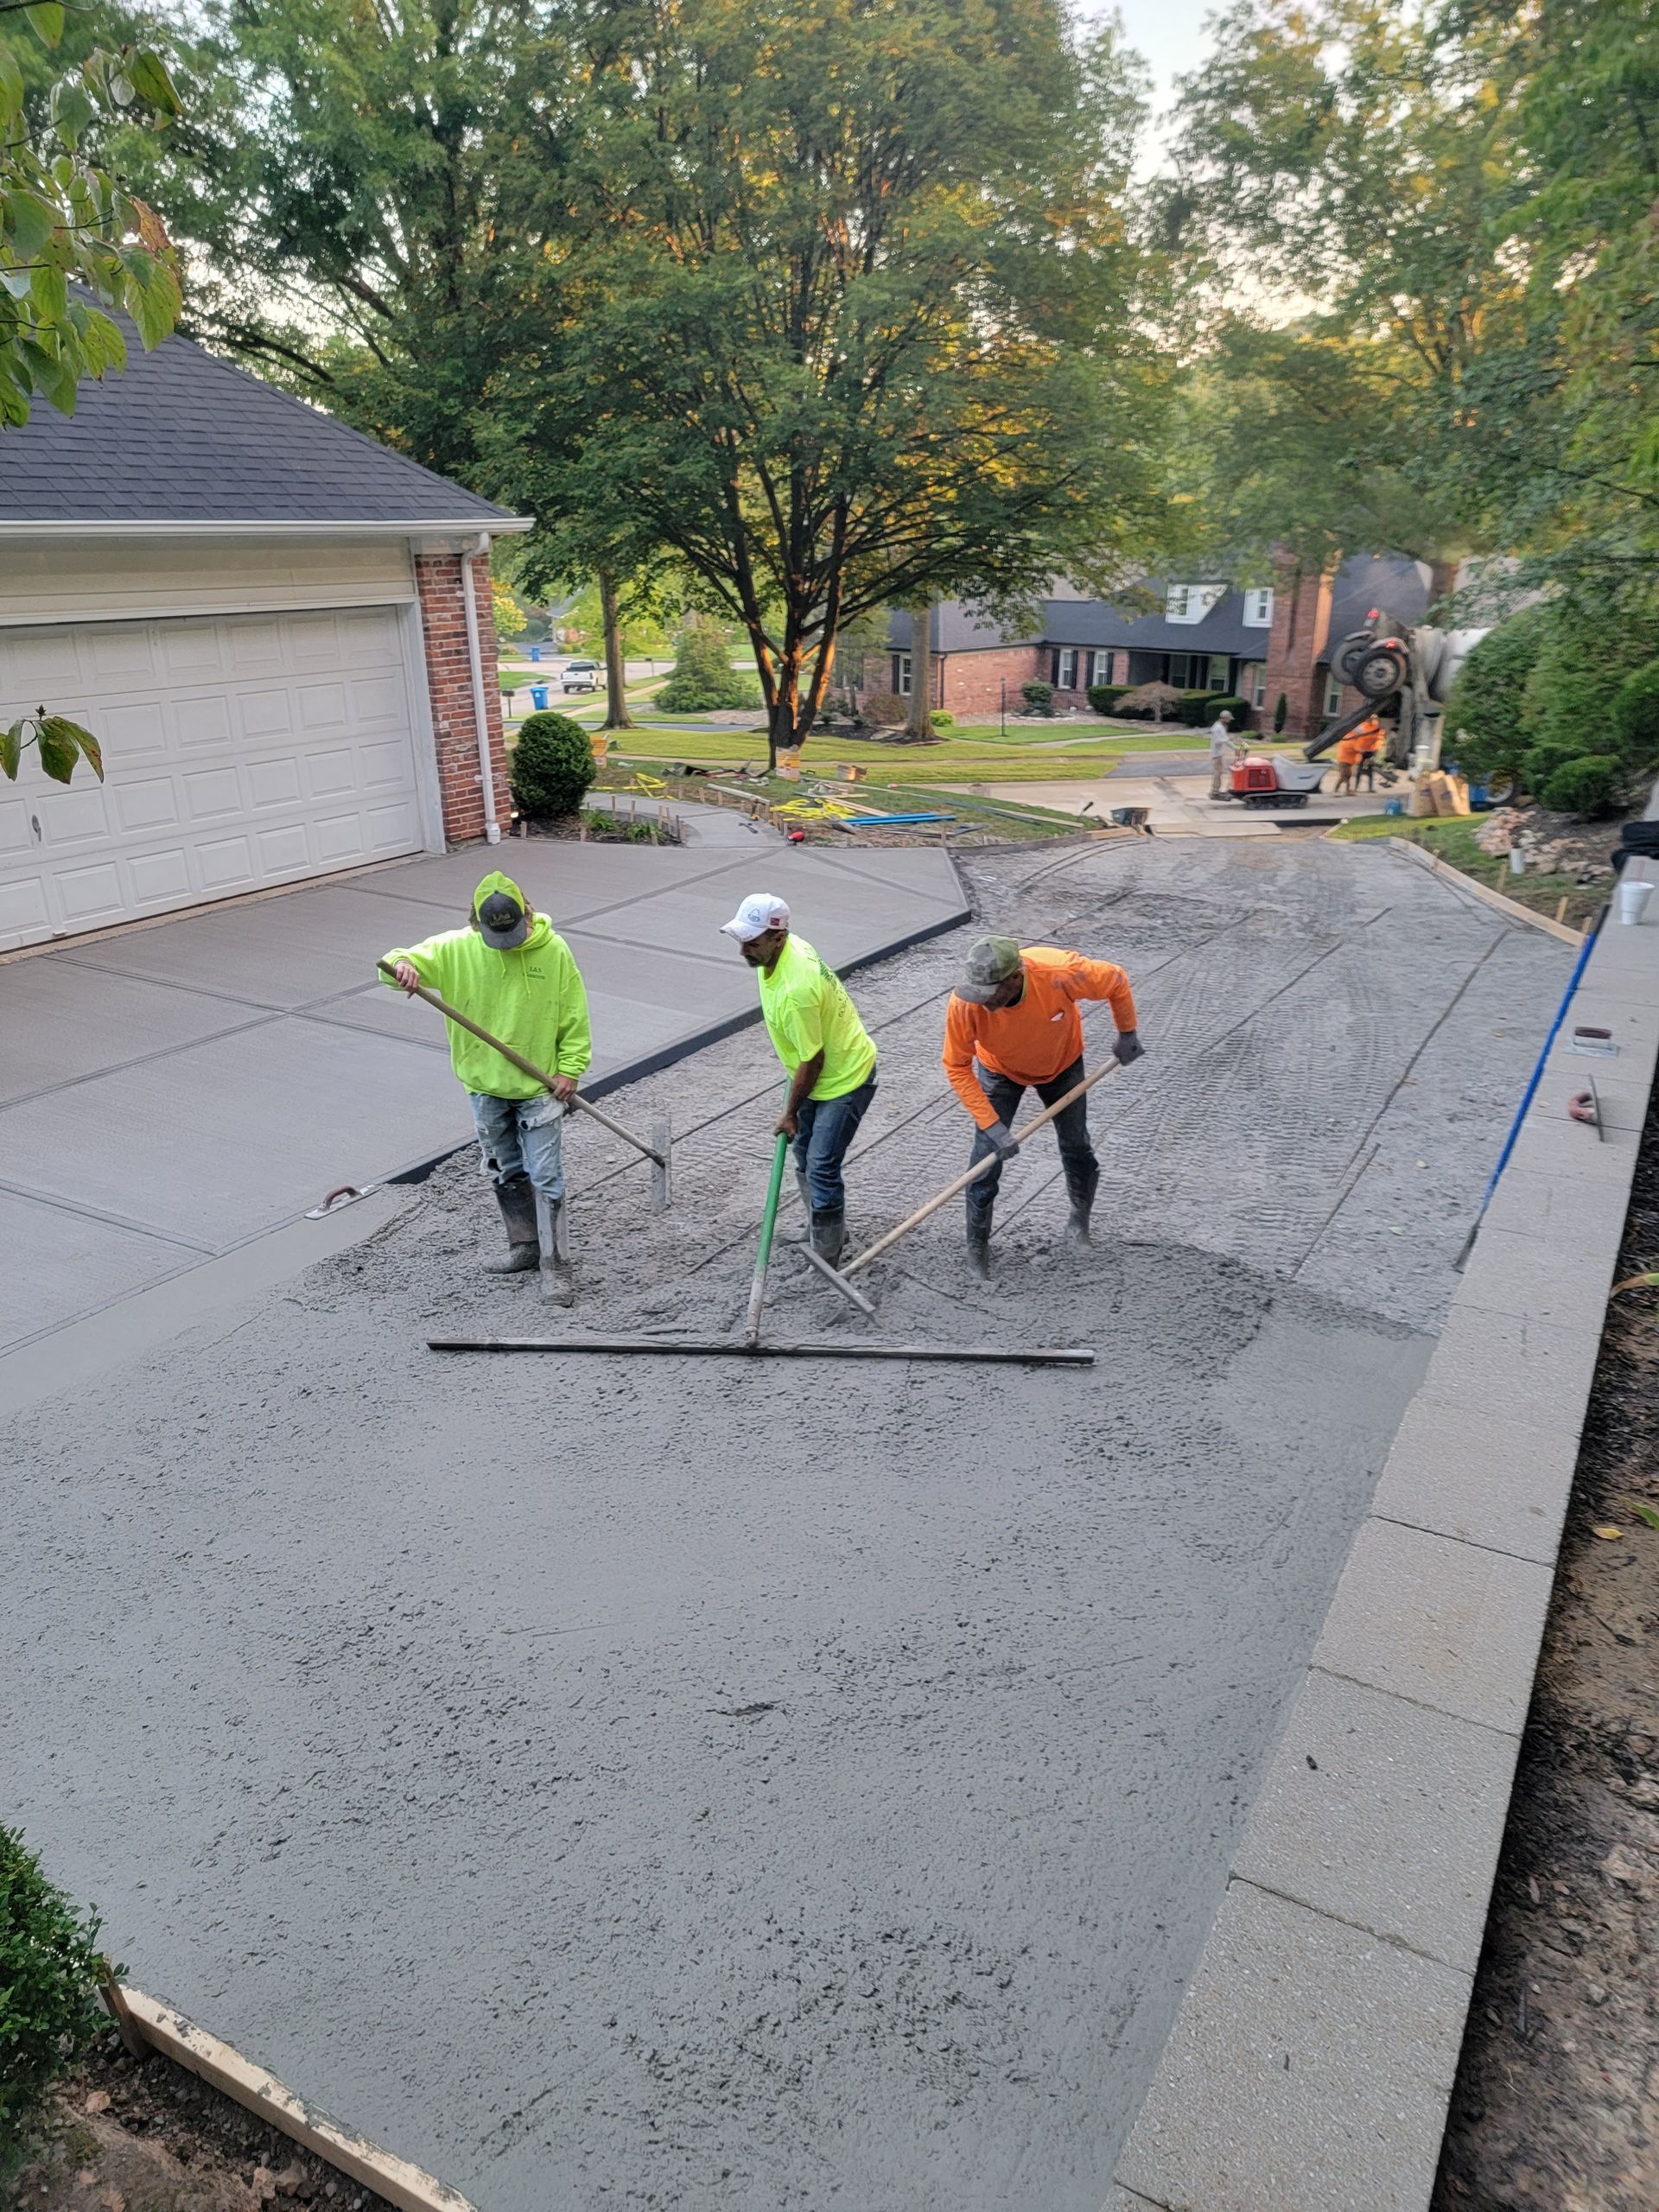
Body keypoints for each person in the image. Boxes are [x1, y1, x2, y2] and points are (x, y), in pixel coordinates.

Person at [383, 871, 591, 1300]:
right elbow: (394, 961)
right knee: (505, 1169)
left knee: (546, 1175)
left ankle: (557, 1265)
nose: (509, 942)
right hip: (484, 1085)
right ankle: (525, 1247)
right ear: (476, 923)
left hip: (541, 1088)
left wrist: (570, 1069)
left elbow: (574, 1014)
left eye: (514, 932)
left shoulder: (553, 951)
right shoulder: (454, 948)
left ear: (526, 914)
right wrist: (403, 967)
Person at [943, 936, 1143, 1279]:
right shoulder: (966, 1004)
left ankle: (1079, 1222)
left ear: (1014, 979)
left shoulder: (1059, 972)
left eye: (991, 994)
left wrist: (1127, 1033)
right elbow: (956, 1065)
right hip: (999, 1071)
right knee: (984, 1160)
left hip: (1062, 1066)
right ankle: (977, 1250)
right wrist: (991, 1124)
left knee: (1076, 1145)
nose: (982, 1002)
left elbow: (1116, 979)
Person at [720, 892, 878, 1265]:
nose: (743, 952)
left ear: (779, 937)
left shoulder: (797, 988)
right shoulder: (775, 955)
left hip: (845, 1078)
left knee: (822, 1165)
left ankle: (827, 1255)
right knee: (804, 1153)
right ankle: (822, 1227)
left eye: (752, 944)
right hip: (817, 1070)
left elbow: (813, 1059)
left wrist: (790, 1112)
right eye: (741, 941)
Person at [1208, 709, 1238, 800]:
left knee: (1219, 772)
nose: (1229, 721)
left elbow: (1224, 739)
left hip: (1218, 753)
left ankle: (1216, 790)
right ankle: (1215, 792)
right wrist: (1234, 747)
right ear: (1224, 718)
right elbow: (1219, 740)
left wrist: (1229, 742)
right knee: (1217, 773)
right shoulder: (1218, 728)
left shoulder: (1219, 726)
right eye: (1228, 719)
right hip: (1216, 754)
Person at [1354, 713, 1386, 791]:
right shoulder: (1362, 726)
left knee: (1370, 769)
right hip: (1362, 751)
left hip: (1370, 751)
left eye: (1376, 719)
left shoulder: (1376, 727)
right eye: (1372, 719)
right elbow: (1354, 735)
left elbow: (1379, 739)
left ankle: (1370, 788)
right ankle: (1356, 787)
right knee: (1359, 769)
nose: (1374, 720)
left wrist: (1376, 750)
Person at [1332, 728, 1364, 796]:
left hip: (1349, 761)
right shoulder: (1349, 738)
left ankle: (1347, 791)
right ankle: (1336, 790)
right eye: (1360, 735)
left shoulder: (1353, 739)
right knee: (1344, 776)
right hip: (1343, 761)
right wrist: (1359, 751)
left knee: (1348, 776)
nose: (1360, 736)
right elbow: (1350, 747)